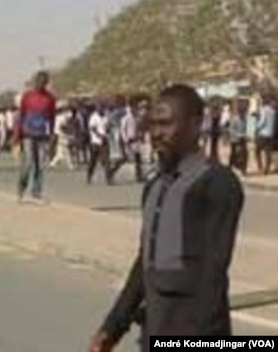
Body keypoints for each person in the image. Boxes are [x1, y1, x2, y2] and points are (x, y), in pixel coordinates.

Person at [90, 84, 243, 351]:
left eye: (166, 124)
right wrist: (111, 328)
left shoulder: (217, 183)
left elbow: (212, 275)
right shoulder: (155, 185)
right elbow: (144, 264)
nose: (156, 133)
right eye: (153, 125)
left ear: (196, 124)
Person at [15, 71, 56, 203]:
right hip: (28, 135)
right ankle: (21, 190)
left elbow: (52, 118)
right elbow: (21, 116)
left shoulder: (50, 98)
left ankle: (36, 192)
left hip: (42, 135)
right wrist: (17, 135)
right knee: (28, 163)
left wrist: (51, 135)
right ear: (35, 82)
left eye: (44, 82)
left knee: (41, 165)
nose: (40, 84)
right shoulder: (27, 97)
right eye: (38, 81)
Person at [255, 94, 274, 175]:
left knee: (257, 150)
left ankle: (260, 167)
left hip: (263, 133)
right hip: (270, 134)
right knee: (268, 152)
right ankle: (267, 169)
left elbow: (262, 121)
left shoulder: (263, 110)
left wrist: (256, 127)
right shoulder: (272, 111)